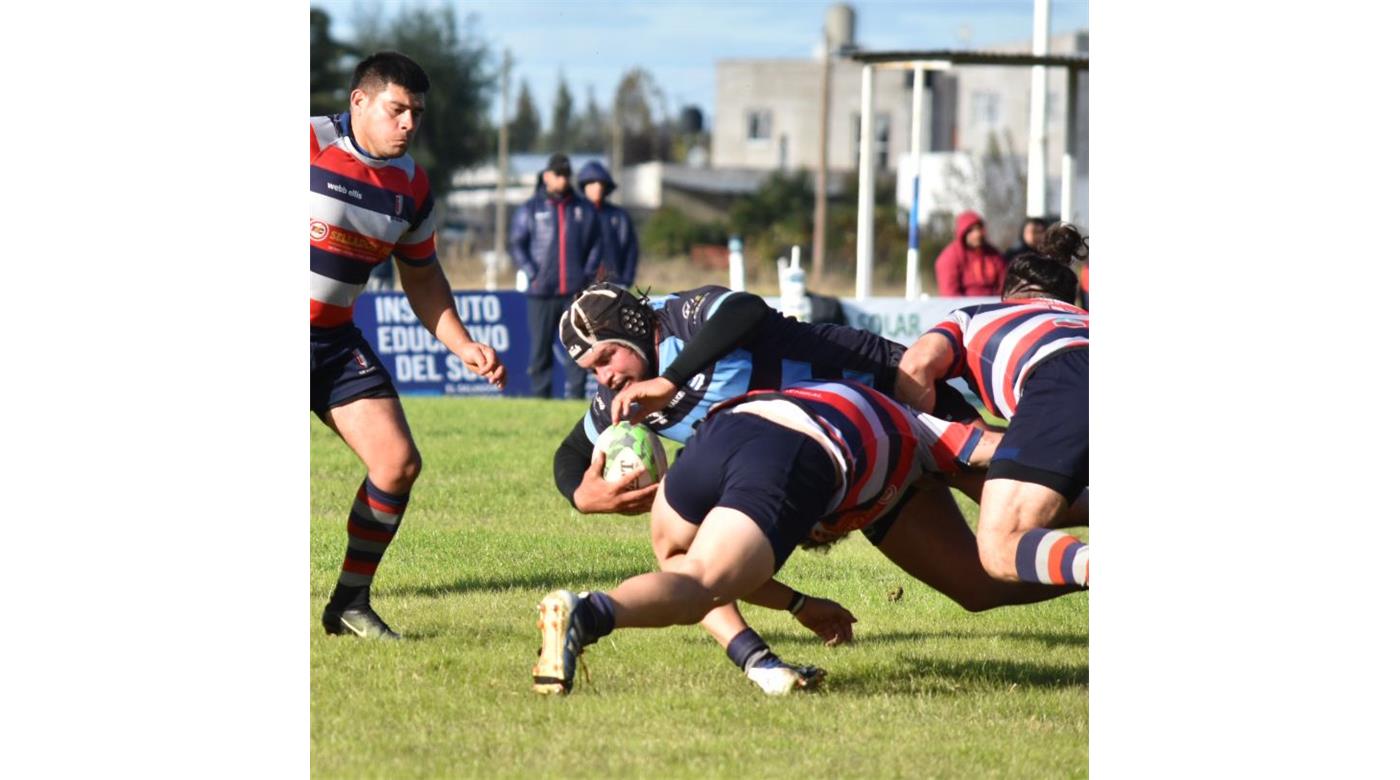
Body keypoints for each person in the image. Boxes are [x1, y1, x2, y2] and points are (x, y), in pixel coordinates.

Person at [550, 283, 1069, 693]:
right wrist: (584, 495)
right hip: (838, 468)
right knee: (977, 586)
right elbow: (570, 454)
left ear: (637, 329)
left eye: (606, 359)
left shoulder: (681, 315)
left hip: (890, 404)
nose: (604, 378)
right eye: (590, 370)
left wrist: (670, 379)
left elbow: (745, 311)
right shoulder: (623, 397)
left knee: (1029, 505)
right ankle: (759, 663)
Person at [311, 52, 506, 639]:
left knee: (396, 465)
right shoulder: (305, 142)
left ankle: (349, 604)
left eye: (416, 113)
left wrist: (463, 343)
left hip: (333, 343)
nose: (408, 124)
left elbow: (421, 278)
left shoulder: (412, 185)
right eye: (397, 109)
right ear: (359, 102)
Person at [898, 222, 1090, 589]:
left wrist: (924, 447)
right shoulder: (1084, 319)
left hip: (1061, 381)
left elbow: (916, 367)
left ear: (1008, 294)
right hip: (1068, 386)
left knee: (1002, 544)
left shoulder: (976, 315)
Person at [509, 153, 601, 399]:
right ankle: (541, 397)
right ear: (547, 176)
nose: (562, 180)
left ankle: (576, 397)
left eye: (566, 175)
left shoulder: (583, 209)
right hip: (541, 292)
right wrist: (532, 272)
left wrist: (586, 275)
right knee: (540, 350)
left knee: (579, 347)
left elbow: (596, 245)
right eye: (558, 174)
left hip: (573, 293)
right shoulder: (531, 209)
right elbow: (517, 243)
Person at [576, 161, 639, 287]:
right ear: (584, 186)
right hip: (581, 285)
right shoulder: (575, 215)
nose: (598, 187)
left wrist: (626, 279)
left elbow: (631, 249)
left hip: (615, 283)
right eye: (592, 183)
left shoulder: (619, 216)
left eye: (601, 183)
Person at [934, 210, 1007, 296]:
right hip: (964, 307)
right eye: (971, 230)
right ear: (963, 233)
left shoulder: (994, 255)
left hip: (993, 305)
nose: (977, 234)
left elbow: (1005, 285)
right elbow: (950, 295)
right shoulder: (949, 258)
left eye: (979, 228)